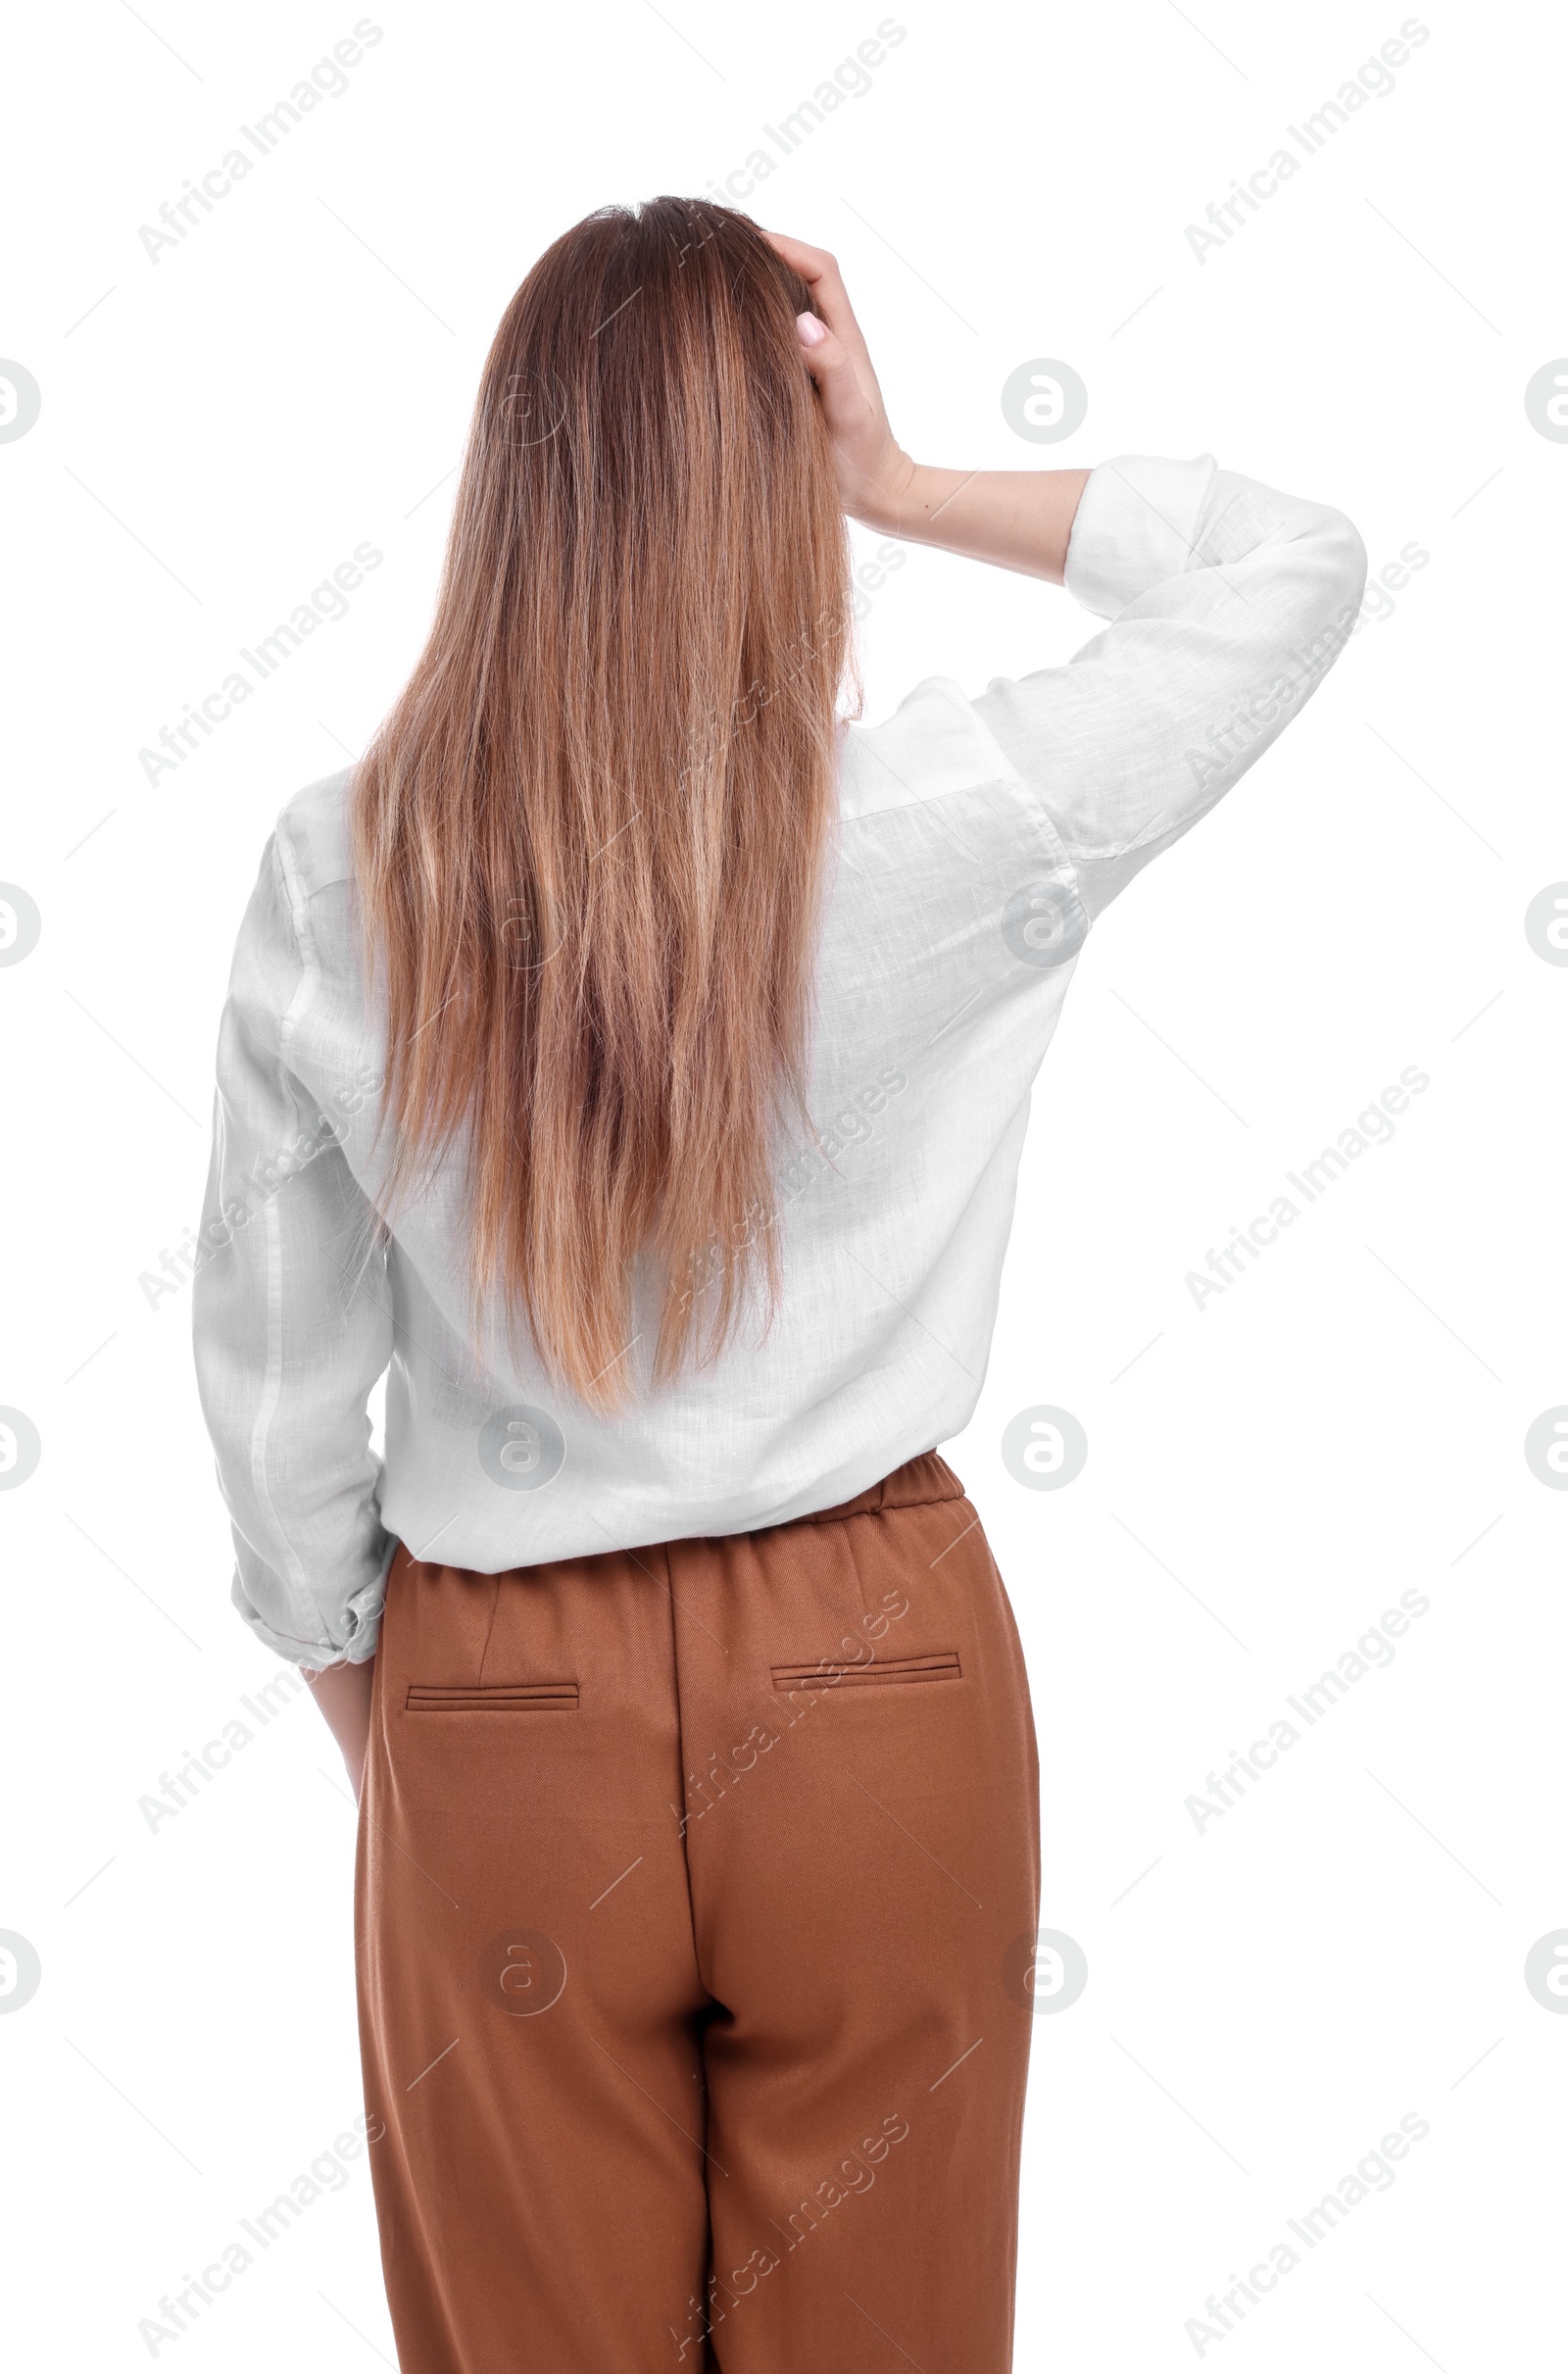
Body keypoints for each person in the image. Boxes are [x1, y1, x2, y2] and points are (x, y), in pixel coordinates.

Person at [192, 196, 1365, 2374]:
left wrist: (376, 1700)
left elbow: (276, 1389)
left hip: (491, 1692)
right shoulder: (951, 809)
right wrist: (899, 479)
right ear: (772, 474)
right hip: (874, 1670)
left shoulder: (343, 868)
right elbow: (1287, 567)